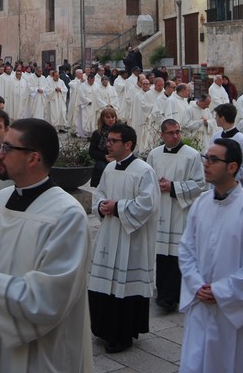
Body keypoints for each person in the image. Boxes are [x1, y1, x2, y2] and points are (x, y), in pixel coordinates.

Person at [0, 118, 93, 372]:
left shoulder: (67, 215)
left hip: (36, 357)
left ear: (33, 158)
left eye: (8, 148)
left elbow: (49, 298)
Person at [178, 138, 243, 373]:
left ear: (232, 167)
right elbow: (186, 248)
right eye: (206, 158)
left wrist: (221, 291)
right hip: (202, 303)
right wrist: (196, 285)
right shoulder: (201, 203)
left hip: (237, 313)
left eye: (213, 160)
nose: (206, 164)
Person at [88, 123, 159, 354]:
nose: (108, 144)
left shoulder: (144, 170)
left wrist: (117, 206)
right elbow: (98, 193)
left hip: (131, 239)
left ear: (127, 144)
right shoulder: (110, 168)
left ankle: (122, 335)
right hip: (109, 234)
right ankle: (103, 329)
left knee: (124, 285)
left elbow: (148, 204)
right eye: (108, 140)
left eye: (113, 141)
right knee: (104, 283)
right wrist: (101, 204)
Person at [145, 119, 205, 313]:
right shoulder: (154, 155)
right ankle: (162, 292)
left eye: (177, 131)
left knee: (177, 255)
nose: (175, 136)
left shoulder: (192, 155)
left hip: (180, 211)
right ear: (162, 135)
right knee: (161, 254)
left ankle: (171, 297)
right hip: (161, 210)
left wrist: (173, 186)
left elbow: (200, 184)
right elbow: (145, 181)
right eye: (170, 132)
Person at [88, 107, 118, 189]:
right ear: (103, 119)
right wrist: (105, 156)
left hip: (117, 158)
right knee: (101, 168)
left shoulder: (120, 132)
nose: (111, 119)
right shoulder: (97, 133)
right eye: (108, 117)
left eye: (112, 117)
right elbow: (92, 151)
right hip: (103, 159)